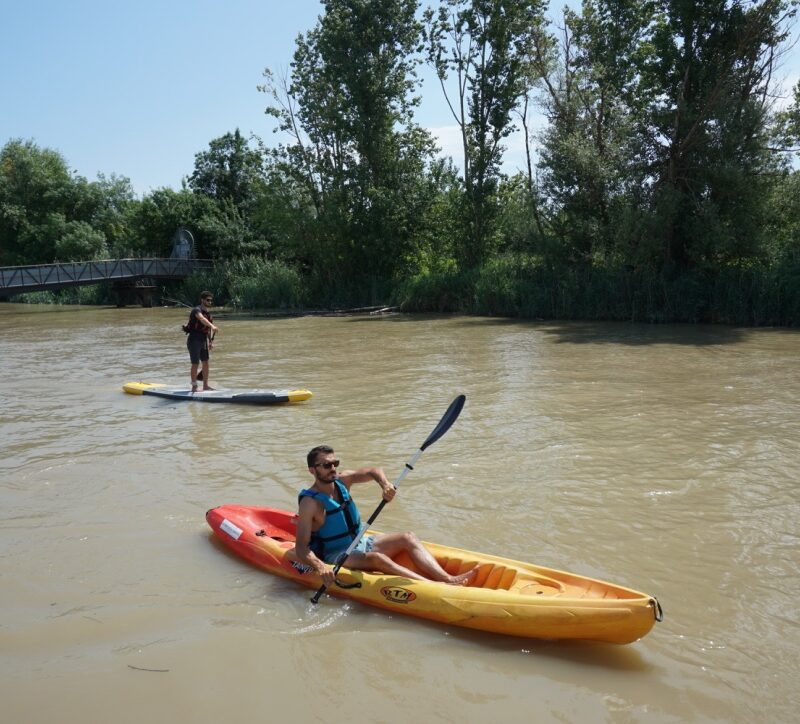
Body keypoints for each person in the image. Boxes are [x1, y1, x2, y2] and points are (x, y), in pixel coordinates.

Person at [294, 445, 479, 588]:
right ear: (312, 470)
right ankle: (433, 586)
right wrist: (320, 567)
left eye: (335, 463)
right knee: (377, 559)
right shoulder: (310, 503)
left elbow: (373, 470)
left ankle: (448, 578)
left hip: (359, 541)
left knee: (408, 537)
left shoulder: (343, 480)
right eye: (326, 465)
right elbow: (301, 547)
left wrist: (385, 485)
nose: (333, 468)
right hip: (336, 554)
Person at [185, 291, 218, 392]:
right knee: (195, 363)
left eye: (211, 300)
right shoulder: (196, 310)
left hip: (203, 339)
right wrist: (212, 326)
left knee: (206, 363)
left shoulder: (208, 314)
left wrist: (210, 341)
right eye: (208, 300)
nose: (210, 302)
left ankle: (205, 386)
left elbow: (207, 330)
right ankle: (194, 387)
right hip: (194, 339)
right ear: (202, 300)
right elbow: (201, 319)